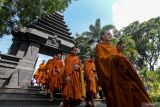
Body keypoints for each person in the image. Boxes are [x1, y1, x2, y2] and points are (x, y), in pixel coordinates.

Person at [95, 29, 151, 107]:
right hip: (112, 78)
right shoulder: (99, 46)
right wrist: (113, 57)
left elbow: (118, 59)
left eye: (111, 34)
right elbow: (100, 61)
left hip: (122, 76)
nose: (110, 35)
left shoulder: (113, 48)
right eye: (108, 34)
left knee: (134, 89)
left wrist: (123, 60)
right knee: (118, 97)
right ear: (102, 36)